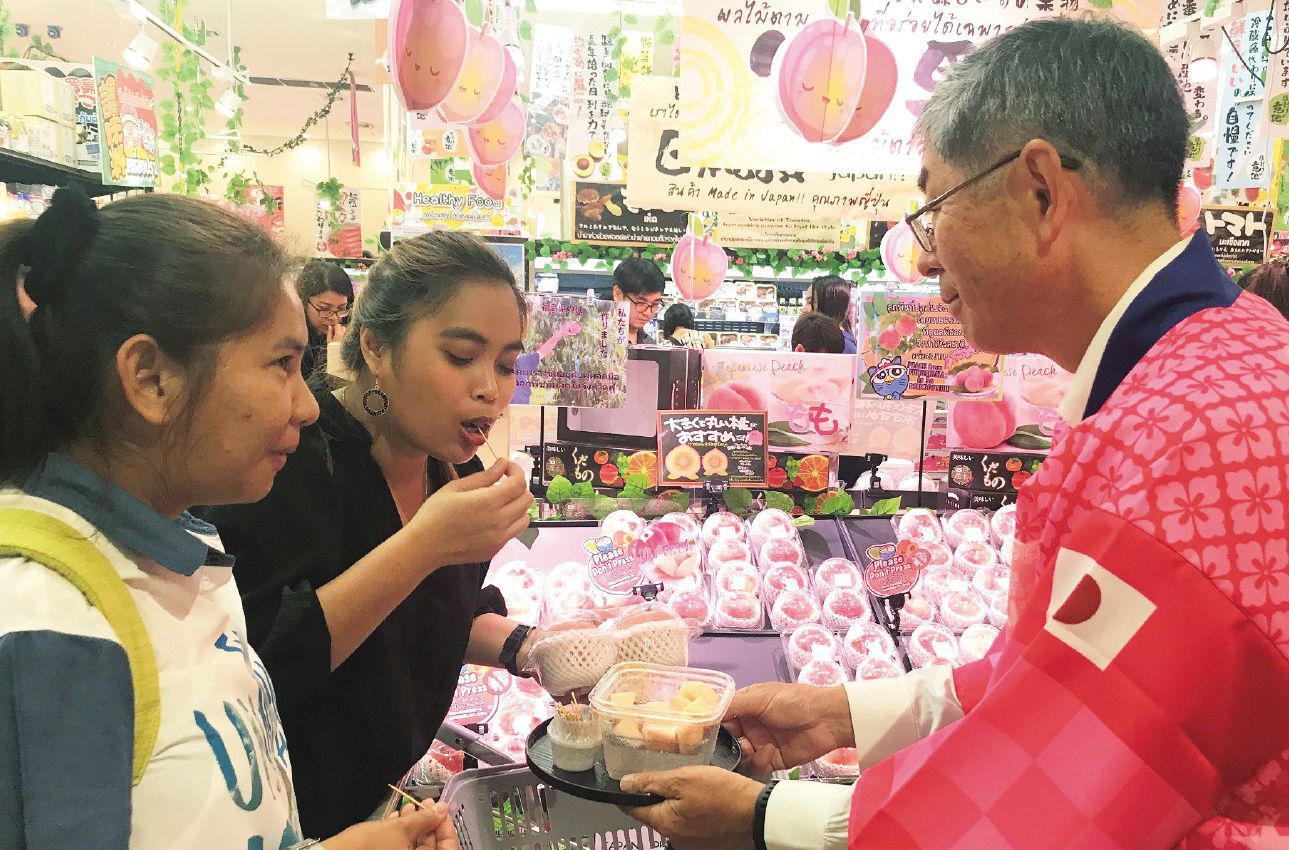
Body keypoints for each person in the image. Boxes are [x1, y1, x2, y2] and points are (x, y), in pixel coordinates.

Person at [619, 18, 1289, 849]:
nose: (926, 259)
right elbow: (1076, 685)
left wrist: (765, 816)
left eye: (933, 210)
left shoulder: (1188, 441)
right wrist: (841, 714)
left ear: (1039, 191)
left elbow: (1064, 802)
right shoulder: (1217, 356)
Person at [0, 189, 455, 850]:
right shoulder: (52, 625)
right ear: (151, 379)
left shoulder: (180, 552)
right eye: (281, 364)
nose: (307, 406)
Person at [202, 231, 538, 838]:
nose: (490, 388)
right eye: (460, 356)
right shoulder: (287, 462)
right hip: (282, 819)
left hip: (384, 807)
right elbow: (262, 667)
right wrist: (423, 546)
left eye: (507, 364)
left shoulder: (456, 473)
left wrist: (535, 648)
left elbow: (434, 618)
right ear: (377, 347)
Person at [298, 260, 355, 378]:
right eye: (324, 309)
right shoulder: (296, 342)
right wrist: (335, 356)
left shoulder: (349, 329)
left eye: (341, 308)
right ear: (303, 302)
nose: (334, 318)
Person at [612, 257, 666, 344]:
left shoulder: (649, 344)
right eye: (641, 303)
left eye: (655, 304)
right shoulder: (597, 340)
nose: (647, 313)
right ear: (618, 294)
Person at [804, 274, 856, 353]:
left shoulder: (842, 347)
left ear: (828, 305)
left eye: (810, 302)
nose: (804, 309)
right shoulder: (822, 341)